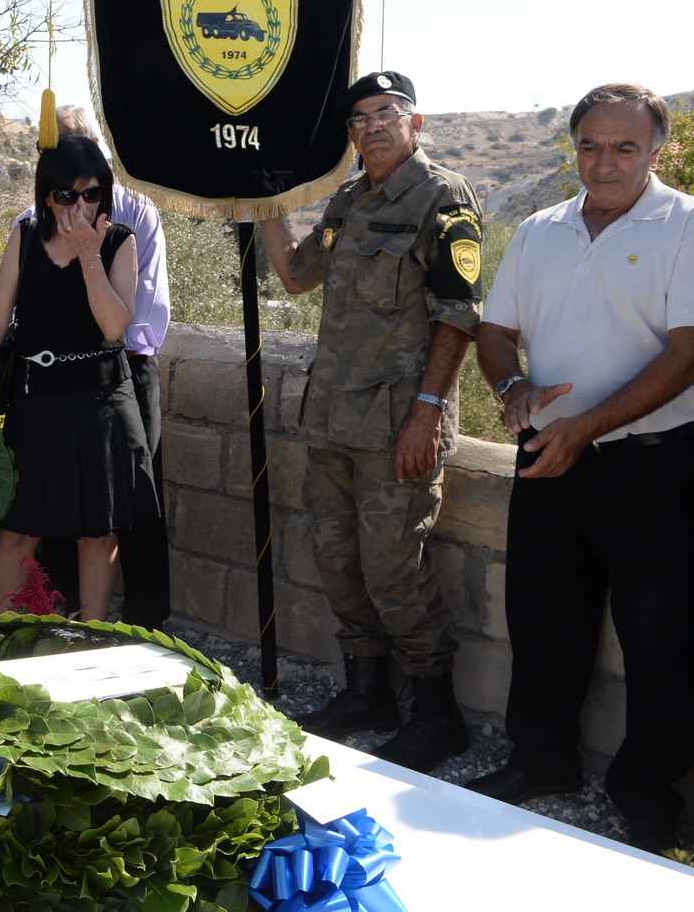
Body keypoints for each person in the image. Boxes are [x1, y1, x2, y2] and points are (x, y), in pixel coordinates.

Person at [467, 83, 694, 853]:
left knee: (658, 638)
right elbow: (494, 328)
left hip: (654, 467)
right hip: (548, 457)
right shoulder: (538, 228)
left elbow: (686, 353)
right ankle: (540, 760)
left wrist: (587, 428)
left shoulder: (685, 225)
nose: (604, 162)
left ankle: (644, 789)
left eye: (624, 146)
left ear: (655, 150)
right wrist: (511, 387)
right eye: (590, 145)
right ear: (573, 148)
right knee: (540, 618)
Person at [258, 70, 483, 774]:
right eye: (360, 118)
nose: (373, 126)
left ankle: (436, 715)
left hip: (396, 426)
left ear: (416, 124)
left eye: (388, 113)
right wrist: (262, 202)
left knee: (394, 569)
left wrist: (425, 413)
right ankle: (367, 695)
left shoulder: (441, 197)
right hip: (331, 419)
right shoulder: (350, 196)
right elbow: (296, 275)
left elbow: (458, 315)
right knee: (336, 560)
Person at [0, 135, 154, 621]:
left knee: (97, 531)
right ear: (46, 195)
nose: (79, 206)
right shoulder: (24, 235)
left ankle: (93, 638)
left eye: (92, 194)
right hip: (35, 399)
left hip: (101, 399)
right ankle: (0, 637)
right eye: (66, 195)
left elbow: (113, 326)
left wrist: (88, 255)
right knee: (18, 529)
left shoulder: (121, 241)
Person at [22, 104, 172, 629]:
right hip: (55, 381)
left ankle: (146, 624)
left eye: (70, 147)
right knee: (61, 509)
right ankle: (59, 618)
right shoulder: (32, 219)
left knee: (136, 503)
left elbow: (137, 308)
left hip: (125, 371)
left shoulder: (135, 215)